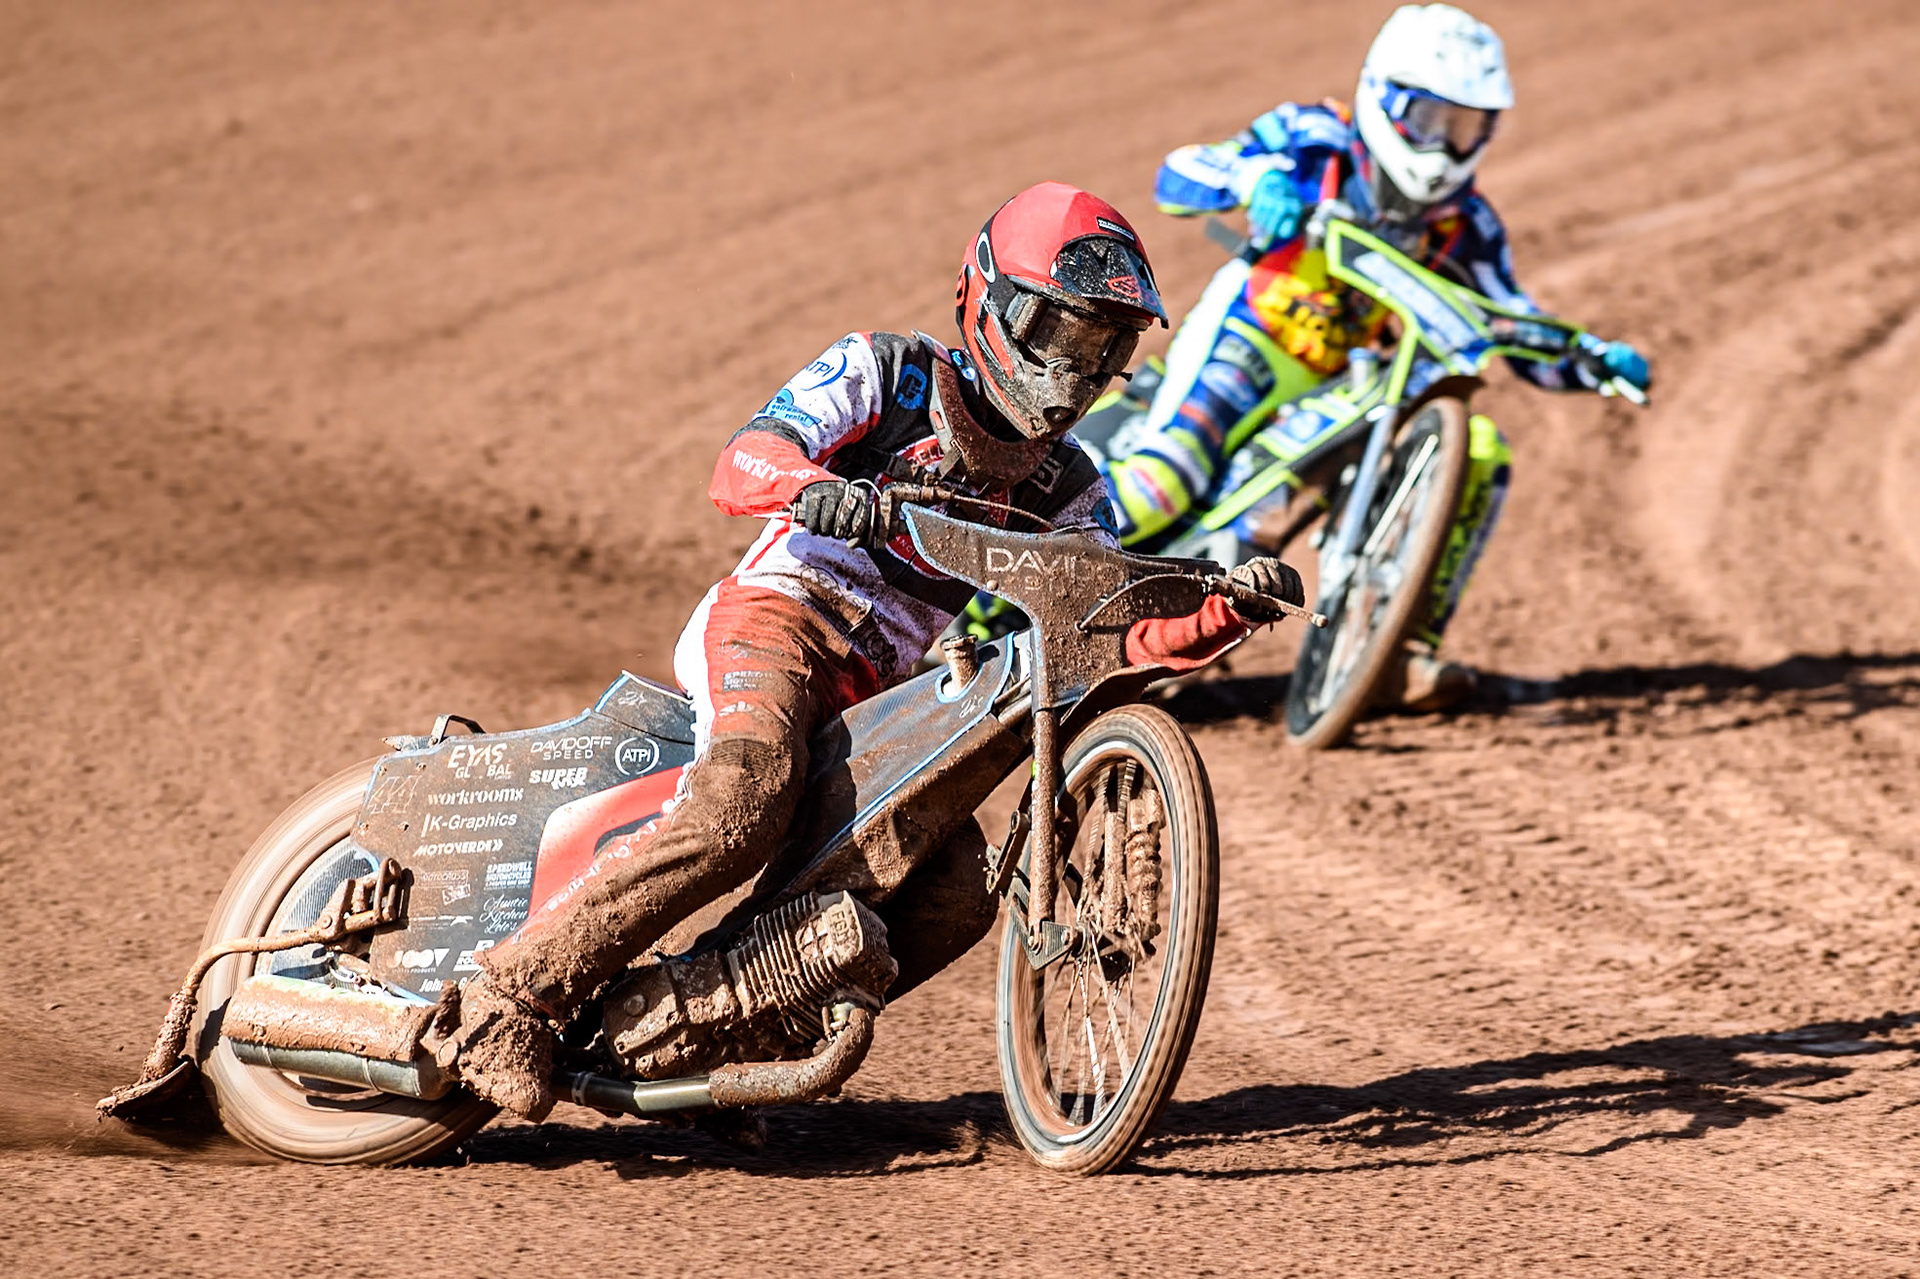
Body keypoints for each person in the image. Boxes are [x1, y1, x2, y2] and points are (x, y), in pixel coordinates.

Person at [447, 182, 1302, 1119]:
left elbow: (1106, 624)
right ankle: (509, 994)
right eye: (1064, 336)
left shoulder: (1070, 485)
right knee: (748, 797)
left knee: (959, 893)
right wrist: (815, 486)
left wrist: (1221, 613)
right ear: (996, 308)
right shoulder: (887, 375)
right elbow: (746, 458)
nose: (1077, 369)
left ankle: (707, 1040)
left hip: (890, 695)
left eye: (1104, 346)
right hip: (782, 618)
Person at [1101, 2, 1651, 710]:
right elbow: (1180, 173)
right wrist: (1256, 180)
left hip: (1352, 386)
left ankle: (1402, 653)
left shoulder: (1465, 224)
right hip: (1249, 343)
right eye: (1430, 121)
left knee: (1478, 450)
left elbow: (1514, 321)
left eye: (1466, 127)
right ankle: (996, 600)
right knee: (1164, 484)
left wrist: (1591, 358)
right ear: (1385, 101)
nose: (1446, 146)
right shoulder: (1316, 139)